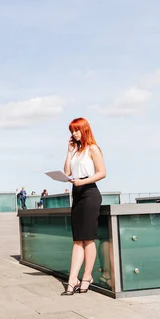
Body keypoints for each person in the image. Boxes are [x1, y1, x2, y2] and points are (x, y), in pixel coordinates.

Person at [61, 117, 106, 296]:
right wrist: (69, 152)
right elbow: (67, 173)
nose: (74, 133)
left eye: (76, 130)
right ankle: (73, 278)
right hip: (77, 194)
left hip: (90, 194)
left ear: (84, 129)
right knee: (77, 239)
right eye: (72, 131)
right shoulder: (77, 151)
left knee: (88, 238)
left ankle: (87, 276)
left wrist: (83, 182)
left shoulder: (93, 148)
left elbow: (102, 173)